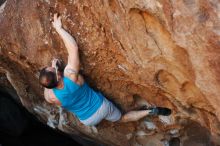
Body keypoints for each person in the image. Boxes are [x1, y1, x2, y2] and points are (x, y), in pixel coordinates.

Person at [39, 14, 171, 126]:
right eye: (53, 68)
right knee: (122, 116)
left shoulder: (51, 97)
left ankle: (148, 112)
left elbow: (48, 86)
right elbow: (73, 49)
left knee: (121, 120)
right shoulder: (70, 76)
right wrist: (58, 29)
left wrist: (52, 75)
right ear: (58, 74)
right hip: (100, 106)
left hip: (87, 120)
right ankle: (149, 111)